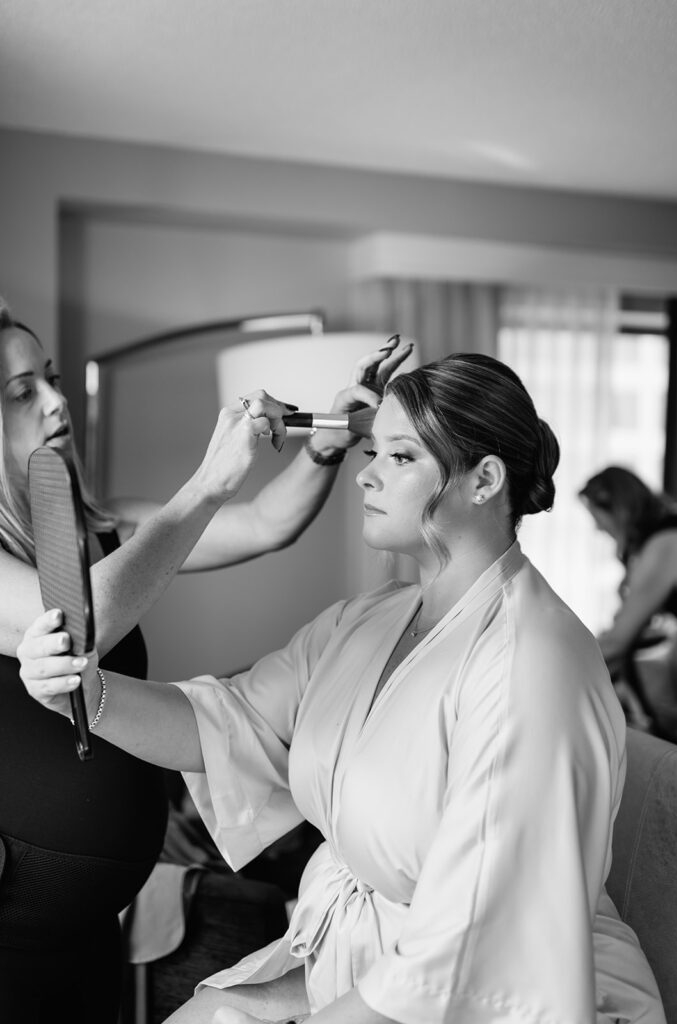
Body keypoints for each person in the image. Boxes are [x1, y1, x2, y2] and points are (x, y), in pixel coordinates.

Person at [19, 353, 665, 1024]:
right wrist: (88, 692)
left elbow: (472, 949)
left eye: (401, 456)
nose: (365, 473)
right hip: (367, 960)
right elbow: (233, 720)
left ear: (485, 480)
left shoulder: (532, 662)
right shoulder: (370, 619)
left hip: (490, 992)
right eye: (371, 450)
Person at [0, 299, 411, 1024]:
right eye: (22, 391)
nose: (56, 400)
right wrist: (208, 481)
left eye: (52, 377)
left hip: (90, 925)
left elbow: (266, 524)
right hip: (15, 931)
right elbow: (72, 620)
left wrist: (324, 442)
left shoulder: (101, 526)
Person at [579, 465, 677, 739]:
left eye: (598, 517)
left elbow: (619, 640)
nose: (598, 528)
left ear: (618, 509)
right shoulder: (660, 540)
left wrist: (566, 666)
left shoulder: (665, 544)